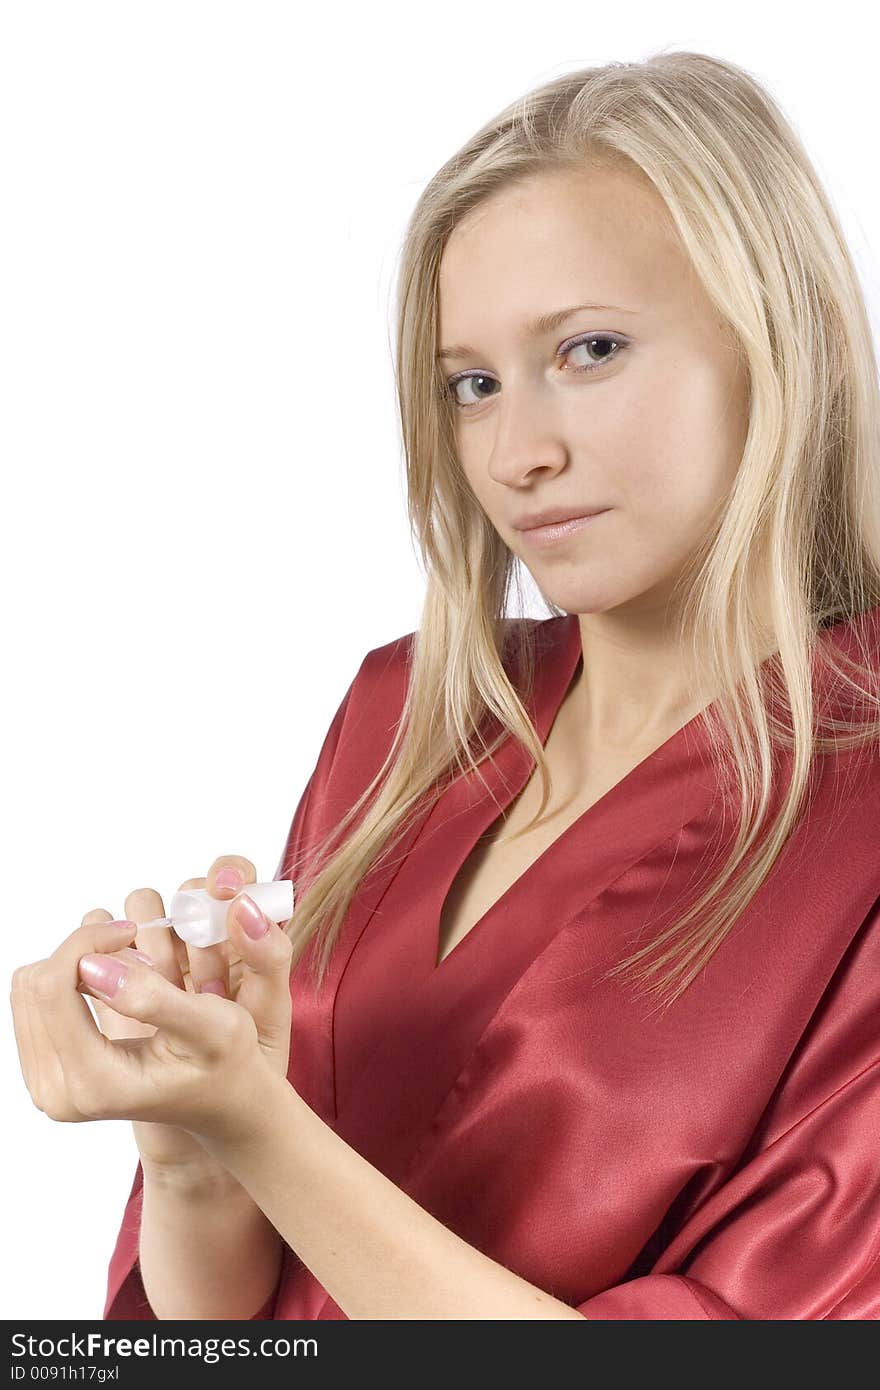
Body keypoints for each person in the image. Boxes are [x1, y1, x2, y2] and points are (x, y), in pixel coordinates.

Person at [11, 50, 880, 1320]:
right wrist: (191, 1148)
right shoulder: (406, 720)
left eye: (589, 350)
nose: (517, 453)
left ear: (777, 340)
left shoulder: (853, 821)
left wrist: (260, 1129)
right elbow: (210, 1332)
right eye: (471, 383)